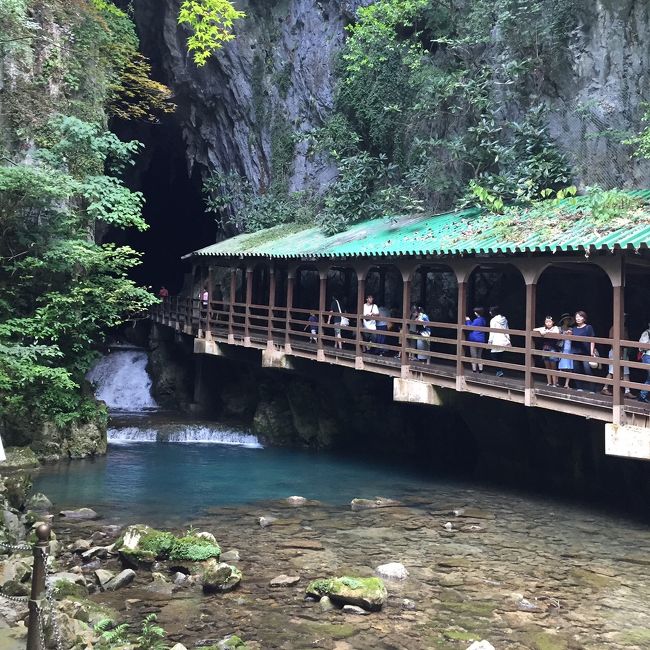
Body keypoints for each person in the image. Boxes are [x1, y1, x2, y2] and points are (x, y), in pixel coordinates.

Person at [568, 310, 596, 392]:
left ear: (584, 318)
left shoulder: (588, 327)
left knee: (587, 370)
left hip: (586, 351)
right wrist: (569, 335)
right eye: (576, 317)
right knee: (576, 370)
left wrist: (592, 352)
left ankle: (592, 389)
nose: (578, 319)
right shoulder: (574, 328)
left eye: (580, 317)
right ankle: (579, 387)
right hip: (575, 351)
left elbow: (592, 340)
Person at [602, 322, 631, 396]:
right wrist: (616, 351)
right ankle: (605, 388)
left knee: (625, 371)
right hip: (615, 351)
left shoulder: (625, 328)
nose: (624, 319)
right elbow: (611, 340)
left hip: (624, 351)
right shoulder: (614, 327)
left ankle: (627, 391)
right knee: (612, 371)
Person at [534, 315, 561, 386]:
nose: (548, 323)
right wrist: (541, 330)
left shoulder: (555, 328)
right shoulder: (544, 328)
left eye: (550, 322)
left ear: (553, 322)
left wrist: (546, 332)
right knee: (547, 366)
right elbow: (534, 329)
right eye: (546, 322)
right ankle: (549, 382)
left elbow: (557, 332)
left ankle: (555, 383)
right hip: (545, 348)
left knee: (553, 366)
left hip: (553, 348)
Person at [488, 306, 511, 377]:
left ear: (493, 312)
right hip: (504, 339)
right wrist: (508, 339)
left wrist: (490, 341)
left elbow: (492, 332)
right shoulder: (504, 319)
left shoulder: (493, 320)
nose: (489, 312)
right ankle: (500, 370)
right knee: (500, 356)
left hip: (496, 339)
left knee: (493, 355)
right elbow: (507, 329)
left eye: (490, 311)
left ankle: (499, 371)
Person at [466, 306, 487, 373]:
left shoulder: (477, 320)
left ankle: (474, 370)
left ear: (476, 313)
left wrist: (468, 320)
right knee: (479, 355)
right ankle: (481, 370)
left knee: (473, 356)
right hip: (481, 339)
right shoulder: (483, 320)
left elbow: (470, 327)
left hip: (474, 339)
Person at [558, 314, 574, 388]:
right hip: (562, 348)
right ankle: (557, 382)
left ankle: (566, 384)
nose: (567, 321)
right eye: (565, 319)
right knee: (561, 367)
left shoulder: (571, 329)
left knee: (569, 368)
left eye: (568, 320)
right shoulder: (559, 329)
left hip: (570, 348)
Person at [638, 322, 650, 403]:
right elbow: (641, 347)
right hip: (648, 356)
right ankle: (642, 395)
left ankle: (643, 395)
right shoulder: (647, 333)